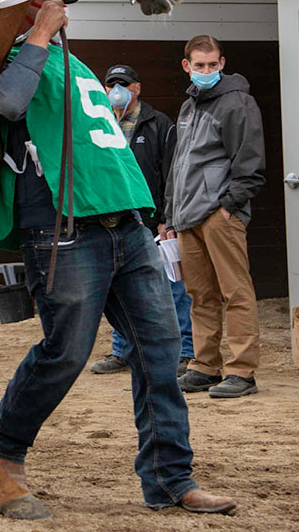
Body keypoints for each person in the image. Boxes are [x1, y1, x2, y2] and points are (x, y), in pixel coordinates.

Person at [0, 0, 235, 514]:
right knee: (66, 351)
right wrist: (40, 34)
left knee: (160, 353)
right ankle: (2, 444)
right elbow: (8, 105)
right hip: (61, 226)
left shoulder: (72, 61)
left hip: (124, 221)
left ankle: (170, 479)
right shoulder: (10, 58)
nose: (57, 11)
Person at [165, 35, 265, 399]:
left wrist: (227, 206)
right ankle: (205, 366)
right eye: (199, 65)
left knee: (236, 292)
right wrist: (171, 216)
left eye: (212, 64)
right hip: (187, 216)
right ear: (186, 66)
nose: (206, 71)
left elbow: (250, 165)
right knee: (200, 295)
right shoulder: (189, 105)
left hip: (220, 215)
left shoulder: (238, 103)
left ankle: (242, 371)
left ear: (222, 63)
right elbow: (179, 165)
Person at [89, 64, 194, 377]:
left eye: (124, 84)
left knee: (174, 286)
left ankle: (185, 351)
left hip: (152, 220)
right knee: (120, 288)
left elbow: (172, 173)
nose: (117, 90)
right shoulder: (99, 122)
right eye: (111, 84)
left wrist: (167, 219)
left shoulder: (158, 124)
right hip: (113, 217)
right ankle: (122, 351)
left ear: (137, 88)